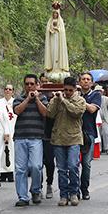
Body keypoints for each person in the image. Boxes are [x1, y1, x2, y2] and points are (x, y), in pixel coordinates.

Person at [47, 76, 86, 206]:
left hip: (74, 138)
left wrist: (63, 100)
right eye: (65, 90)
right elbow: (50, 114)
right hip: (58, 138)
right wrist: (56, 100)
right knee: (62, 169)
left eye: (70, 90)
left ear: (75, 89)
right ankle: (63, 195)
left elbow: (76, 112)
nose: (67, 92)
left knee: (73, 166)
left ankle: (74, 192)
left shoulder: (80, 100)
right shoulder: (56, 99)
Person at [12, 74, 48, 207]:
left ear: (37, 84)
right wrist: (28, 99)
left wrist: (37, 99)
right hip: (20, 137)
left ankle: (36, 190)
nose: (29, 86)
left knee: (36, 166)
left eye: (32, 84)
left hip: (36, 137)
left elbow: (45, 113)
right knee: (20, 169)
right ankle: (23, 197)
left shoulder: (43, 98)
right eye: (27, 84)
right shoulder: (19, 99)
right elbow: (17, 111)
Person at [79, 72, 101, 200]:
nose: (86, 81)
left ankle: (84, 189)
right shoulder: (74, 94)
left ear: (92, 82)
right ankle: (74, 189)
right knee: (73, 163)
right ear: (79, 82)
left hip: (89, 133)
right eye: (83, 79)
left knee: (86, 163)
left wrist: (80, 101)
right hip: (75, 133)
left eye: (88, 79)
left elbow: (92, 109)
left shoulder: (96, 95)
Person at [44, 2, 69, 81]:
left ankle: (59, 68)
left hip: (58, 40)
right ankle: (53, 68)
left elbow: (62, 31)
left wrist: (57, 29)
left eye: (56, 14)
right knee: (53, 53)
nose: (55, 15)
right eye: (54, 14)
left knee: (58, 53)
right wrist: (51, 30)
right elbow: (48, 30)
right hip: (52, 39)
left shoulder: (60, 21)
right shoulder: (50, 21)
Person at [0, 84, 16, 182]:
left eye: (10, 89)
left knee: (11, 151)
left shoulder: (15, 102)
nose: (7, 91)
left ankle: (10, 173)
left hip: (13, 128)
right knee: (2, 151)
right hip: (2, 129)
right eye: (6, 89)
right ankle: (2, 173)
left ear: (12, 91)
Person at [97, 85, 108, 155]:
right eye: (97, 91)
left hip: (105, 119)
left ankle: (107, 148)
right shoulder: (94, 99)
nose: (99, 93)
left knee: (106, 133)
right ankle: (99, 149)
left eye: (100, 91)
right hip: (97, 119)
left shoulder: (106, 99)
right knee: (98, 134)